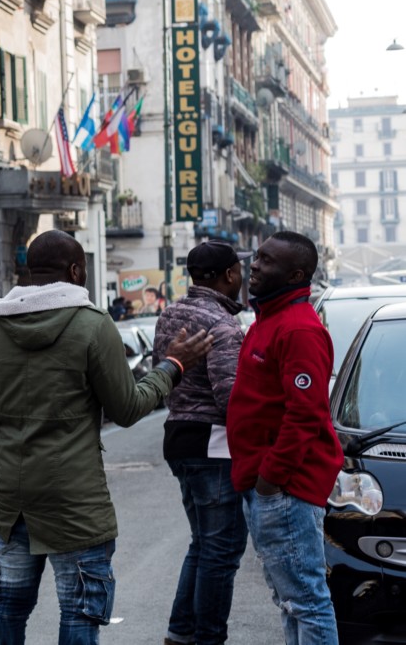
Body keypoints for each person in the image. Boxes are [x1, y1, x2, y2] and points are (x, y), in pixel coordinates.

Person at [0, 230, 214, 645]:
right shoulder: (93, 325)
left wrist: (11, 463)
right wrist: (172, 365)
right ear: (76, 271)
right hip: (77, 503)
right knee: (80, 612)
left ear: (29, 271)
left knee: (9, 607)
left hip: (15, 499)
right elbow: (128, 408)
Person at [227, 231, 343, 645]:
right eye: (257, 256)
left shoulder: (297, 329)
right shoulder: (268, 320)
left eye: (267, 261)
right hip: (268, 486)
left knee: (306, 601)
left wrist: (271, 478)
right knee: (291, 601)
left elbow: (306, 413)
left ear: (296, 275)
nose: (254, 266)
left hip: (285, 489)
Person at [156, 242, 251, 645]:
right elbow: (232, 399)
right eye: (240, 270)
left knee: (203, 544)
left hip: (179, 437)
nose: (244, 276)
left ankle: (180, 633)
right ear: (229, 275)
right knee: (222, 550)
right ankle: (208, 638)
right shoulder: (222, 325)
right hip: (212, 446)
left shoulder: (169, 313)